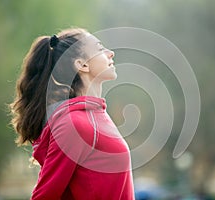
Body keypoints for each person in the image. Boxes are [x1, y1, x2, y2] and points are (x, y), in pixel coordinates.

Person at [10, 28, 135, 200]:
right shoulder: (73, 123)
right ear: (82, 65)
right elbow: (44, 195)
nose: (110, 53)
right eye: (99, 49)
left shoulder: (96, 115)